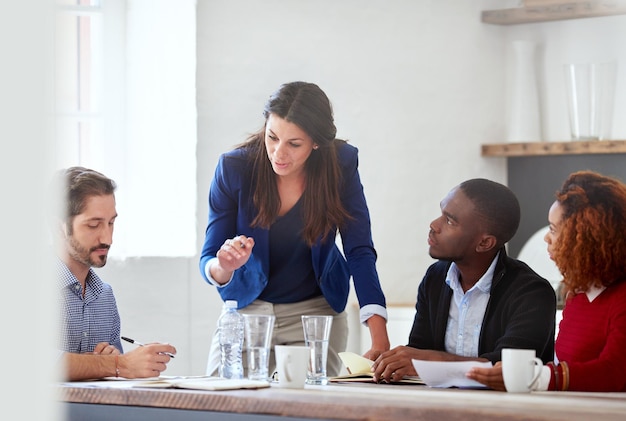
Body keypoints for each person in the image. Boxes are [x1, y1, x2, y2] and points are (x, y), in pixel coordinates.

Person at [200, 81, 390, 377]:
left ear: (316, 142)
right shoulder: (234, 168)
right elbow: (209, 258)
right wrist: (224, 266)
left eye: (294, 144)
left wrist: (379, 335)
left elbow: (359, 249)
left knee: (313, 409)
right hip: (250, 311)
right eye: (272, 137)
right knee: (220, 403)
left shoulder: (340, 164)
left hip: (316, 313)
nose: (278, 153)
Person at [372, 178, 556, 383]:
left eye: (450, 221)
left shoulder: (532, 293)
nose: (434, 225)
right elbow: (418, 351)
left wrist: (432, 360)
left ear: (485, 243)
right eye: (441, 213)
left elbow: (509, 369)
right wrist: (391, 364)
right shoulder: (435, 278)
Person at [468, 170, 626, 392]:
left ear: (587, 237)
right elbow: (569, 367)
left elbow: (615, 372)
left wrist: (535, 377)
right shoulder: (579, 294)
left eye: (553, 229)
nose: (546, 237)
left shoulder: (621, 299)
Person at [54, 166, 176, 381]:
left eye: (111, 223)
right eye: (93, 225)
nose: (107, 239)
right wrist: (117, 364)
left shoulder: (104, 296)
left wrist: (107, 365)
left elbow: (113, 372)